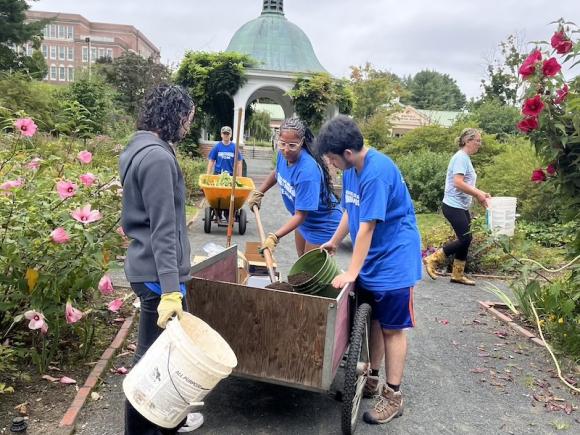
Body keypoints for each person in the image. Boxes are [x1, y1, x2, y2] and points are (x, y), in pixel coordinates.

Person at [317, 115, 422, 426]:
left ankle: (394, 396)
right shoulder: (352, 171)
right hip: (373, 253)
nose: (332, 165)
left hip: (395, 258)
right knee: (373, 318)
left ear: (347, 153)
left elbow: (367, 226)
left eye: (333, 159)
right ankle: (372, 377)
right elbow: (351, 210)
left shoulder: (376, 173)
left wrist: (351, 271)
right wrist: (333, 241)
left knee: (391, 327)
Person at [119, 84, 203, 435]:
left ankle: (173, 419)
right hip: (157, 276)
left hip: (146, 266)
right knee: (150, 362)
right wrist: (172, 289)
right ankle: (142, 430)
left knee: (161, 357)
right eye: (188, 118)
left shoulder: (138, 146)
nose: (187, 126)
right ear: (176, 116)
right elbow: (164, 229)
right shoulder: (157, 158)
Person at [247, 117, 342, 257]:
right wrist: (259, 192)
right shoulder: (282, 155)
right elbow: (277, 172)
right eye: (282, 143)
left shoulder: (307, 171)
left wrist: (275, 237)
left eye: (292, 145)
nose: (286, 150)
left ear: (301, 142)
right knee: (302, 261)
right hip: (304, 220)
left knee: (310, 271)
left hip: (322, 223)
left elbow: (301, 215)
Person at [423, 128, 490, 285]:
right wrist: (478, 194)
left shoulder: (465, 158)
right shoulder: (460, 158)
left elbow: (465, 183)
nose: (480, 144)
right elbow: (458, 183)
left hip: (460, 206)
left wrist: (480, 193)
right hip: (453, 205)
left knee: (466, 238)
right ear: (467, 141)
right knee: (465, 238)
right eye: (478, 141)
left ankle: (457, 274)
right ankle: (432, 259)